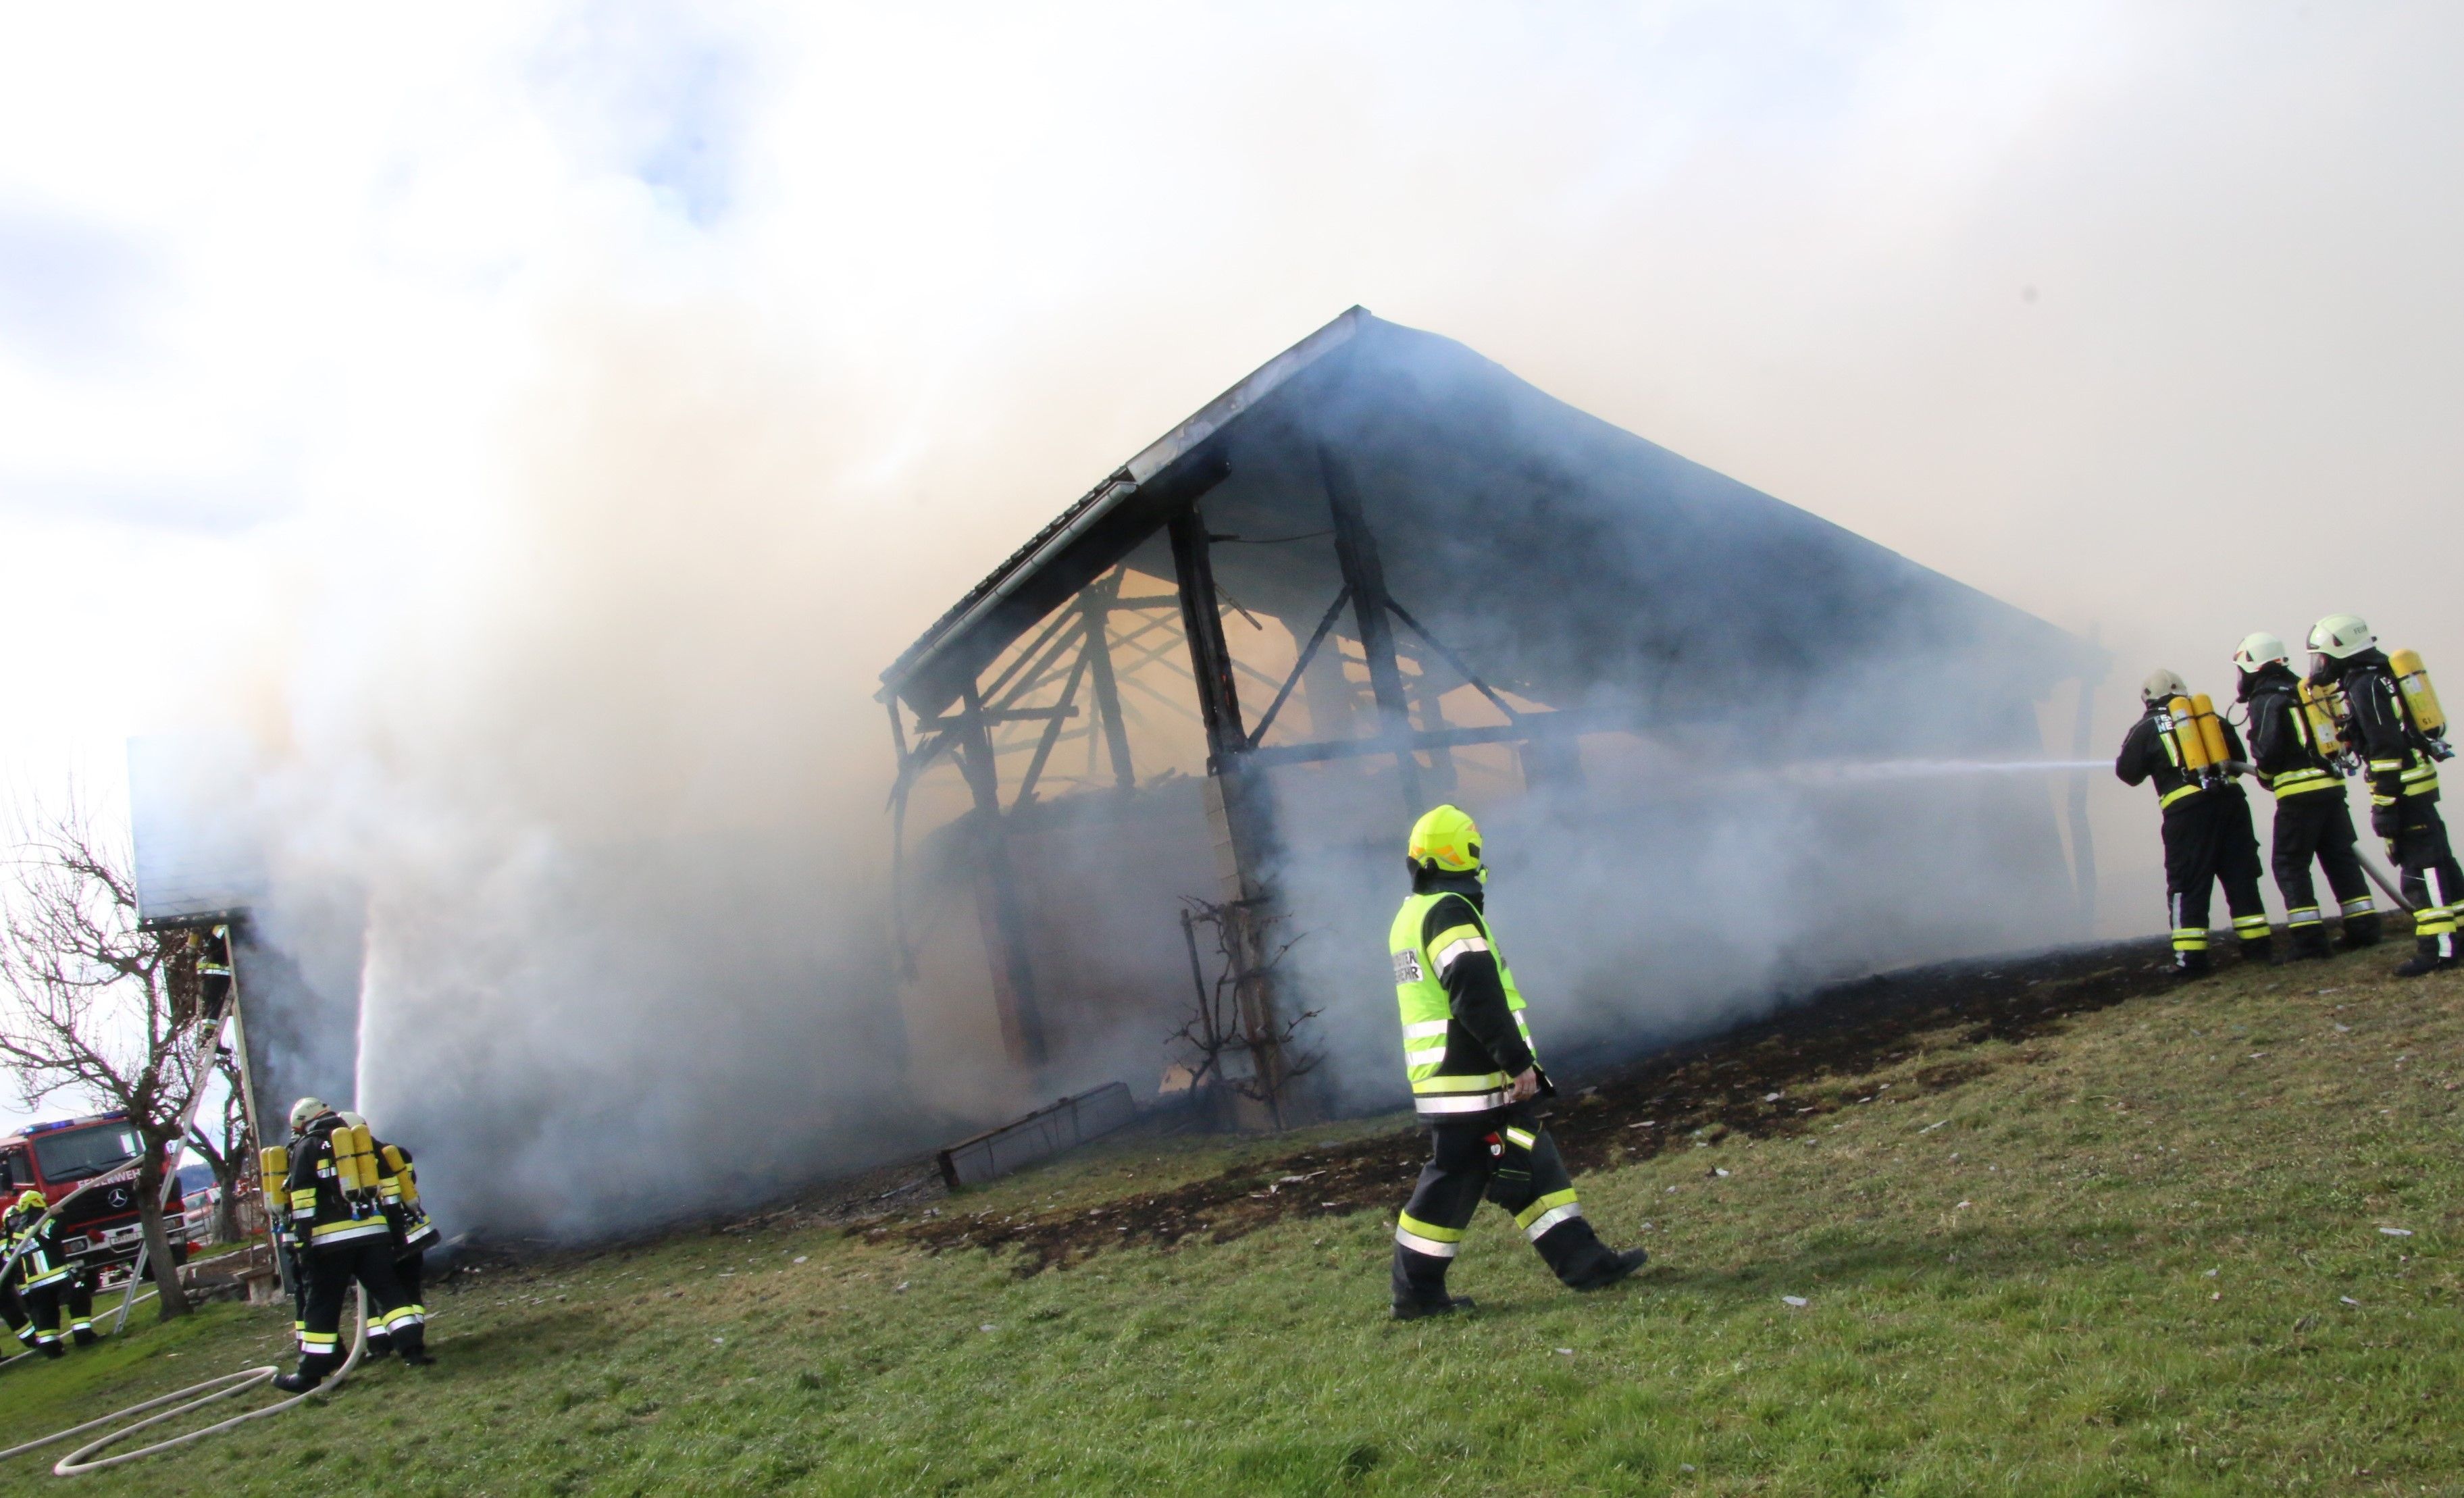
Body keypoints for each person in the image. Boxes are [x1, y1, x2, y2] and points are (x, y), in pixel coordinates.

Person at [1385, 804, 1648, 1320]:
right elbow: (1476, 996)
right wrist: (1518, 1062)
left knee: (1528, 1159)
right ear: (1468, 855)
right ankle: (1415, 1294)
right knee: (1450, 1185)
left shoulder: (1410, 915)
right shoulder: (1449, 911)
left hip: (1452, 1080)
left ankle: (1587, 1265)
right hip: (1473, 1080)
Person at [2309, 613, 2463, 976]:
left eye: (2322, 657)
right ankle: (2455, 937)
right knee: (2442, 865)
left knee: (2421, 871)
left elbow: (2386, 748)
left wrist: (2385, 804)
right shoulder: (2381, 675)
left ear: (2339, 651)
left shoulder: (2365, 685)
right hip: (2417, 783)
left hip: (2403, 790)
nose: (2319, 666)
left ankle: (2439, 950)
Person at [2115, 669, 2274, 972]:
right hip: (2232, 806)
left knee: (2187, 884)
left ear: (2147, 699)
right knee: (2241, 877)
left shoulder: (2146, 727)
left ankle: (2191, 961)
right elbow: (2238, 764)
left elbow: (2128, 774)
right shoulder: (2210, 718)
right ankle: (2258, 950)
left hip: (2187, 814)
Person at [2234, 632, 2382, 959]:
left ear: (2251, 666)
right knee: (2341, 858)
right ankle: (2364, 929)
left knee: (2289, 864)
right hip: (2331, 787)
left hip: (2299, 796)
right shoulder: (2305, 687)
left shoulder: (2266, 698)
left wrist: (2266, 776)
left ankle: (2309, 941)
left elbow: (2266, 751)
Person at [275, 1099, 422, 1391]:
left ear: (305, 1123)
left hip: (330, 1243)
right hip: (373, 1237)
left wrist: (302, 1243)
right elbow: (390, 1190)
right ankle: (413, 1351)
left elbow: (303, 1200)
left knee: (322, 1303)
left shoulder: (308, 1146)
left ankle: (310, 1375)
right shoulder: (363, 1143)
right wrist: (393, 1232)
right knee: (389, 1292)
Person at [353, 1114, 438, 1366]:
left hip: (379, 1240)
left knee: (379, 1290)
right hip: (413, 1235)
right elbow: (410, 1184)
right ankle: (413, 1338)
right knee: (409, 1288)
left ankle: (381, 1346)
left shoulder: (352, 1165)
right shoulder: (396, 1154)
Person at [1, 1191, 95, 1357]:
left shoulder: (16, 1235)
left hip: (35, 1285)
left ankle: (51, 1349)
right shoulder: (41, 1222)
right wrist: (60, 1215)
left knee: (46, 1314)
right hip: (58, 1276)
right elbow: (55, 1233)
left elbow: (9, 1263)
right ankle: (83, 1337)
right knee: (80, 1296)